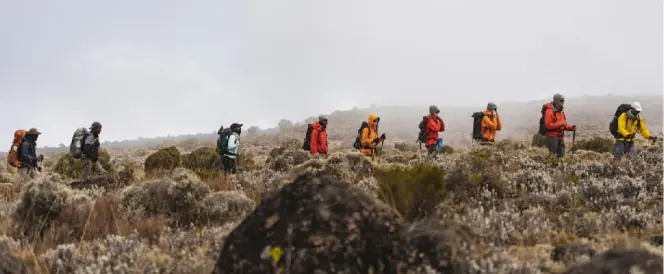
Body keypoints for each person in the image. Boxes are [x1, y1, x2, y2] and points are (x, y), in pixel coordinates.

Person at [542, 93, 576, 158]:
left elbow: (564, 124)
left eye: (563, 100)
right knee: (552, 156)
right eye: (561, 100)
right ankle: (550, 167)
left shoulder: (561, 111)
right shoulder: (549, 111)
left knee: (561, 156)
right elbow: (548, 125)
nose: (563, 102)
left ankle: (559, 167)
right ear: (556, 101)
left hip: (560, 136)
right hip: (552, 137)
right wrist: (561, 124)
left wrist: (571, 128)